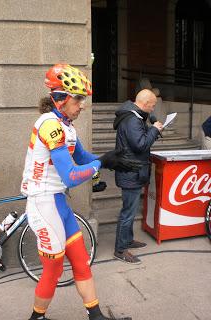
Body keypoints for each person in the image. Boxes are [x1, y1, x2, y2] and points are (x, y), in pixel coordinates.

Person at [21, 64, 139, 320]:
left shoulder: (68, 126)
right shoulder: (49, 125)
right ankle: (36, 318)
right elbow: (71, 176)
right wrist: (102, 163)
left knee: (80, 260)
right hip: (43, 203)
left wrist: (109, 160)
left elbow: (83, 157)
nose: (82, 105)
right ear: (60, 98)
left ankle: (95, 316)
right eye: (78, 99)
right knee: (53, 269)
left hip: (58, 203)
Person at [113, 89, 163, 264]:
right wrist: (154, 130)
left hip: (132, 170)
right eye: (153, 105)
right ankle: (120, 250)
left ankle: (127, 240)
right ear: (145, 103)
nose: (153, 109)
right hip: (130, 172)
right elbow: (140, 145)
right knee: (127, 212)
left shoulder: (134, 116)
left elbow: (139, 140)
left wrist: (152, 131)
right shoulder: (133, 119)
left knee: (130, 211)